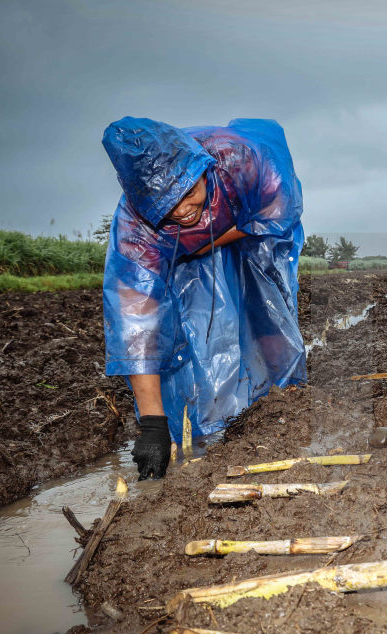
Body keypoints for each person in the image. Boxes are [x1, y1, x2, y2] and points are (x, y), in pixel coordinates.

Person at [101, 117, 306, 479]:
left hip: (251, 225)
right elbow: (136, 324)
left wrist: (205, 244)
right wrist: (152, 425)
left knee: (265, 302)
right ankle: (203, 422)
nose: (181, 210)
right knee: (190, 316)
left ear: (203, 170)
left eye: (188, 192)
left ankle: (284, 398)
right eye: (165, 205)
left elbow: (278, 209)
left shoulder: (241, 161)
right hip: (177, 249)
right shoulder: (135, 229)